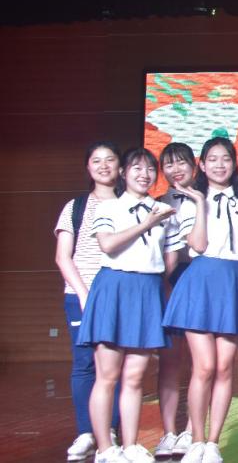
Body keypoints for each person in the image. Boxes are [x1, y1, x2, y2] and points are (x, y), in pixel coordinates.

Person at [78, 147, 186, 463]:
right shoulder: (109, 207)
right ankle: (105, 448)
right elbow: (108, 244)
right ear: (124, 173)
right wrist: (147, 223)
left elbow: (170, 257)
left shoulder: (163, 209)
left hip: (147, 290)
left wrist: (155, 279)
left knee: (136, 377)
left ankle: (130, 444)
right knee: (107, 375)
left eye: (150, 169)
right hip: (114, 287)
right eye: (137, 168)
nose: (144, 174)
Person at [162, 138, 238, 463]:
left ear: (234, 163)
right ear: (202, 165)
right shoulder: (191, 202)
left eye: (226, 159)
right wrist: (200, 203)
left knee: (224, 368)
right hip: (201, 283)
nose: (220, 165)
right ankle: (196, 440)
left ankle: (213, 443)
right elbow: (199, 245)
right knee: (204, 366)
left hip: (234, 283)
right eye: (213, 159)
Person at [55, 142, 123, 462]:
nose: (104, 165)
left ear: (120, 167)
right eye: (97, 160)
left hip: (118, 295)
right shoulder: (76, 207)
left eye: (110, 160)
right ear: (88, 167)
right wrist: (84, 294)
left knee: (115, 365)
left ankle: (109, 430)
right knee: (84, 363)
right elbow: (62, 257)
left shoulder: (129, 204)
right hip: (80, 295)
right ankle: (86, 432)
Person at [154, 143, 197, 459]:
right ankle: (169, 432)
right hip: (167, 283)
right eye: (169, 164)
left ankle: (194, 430)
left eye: (182, 163)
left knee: (200, 362)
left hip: (200, 281)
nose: (176, 169)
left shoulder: (207, 199)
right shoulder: (155, 204)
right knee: (169, 360)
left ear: (195, 166)